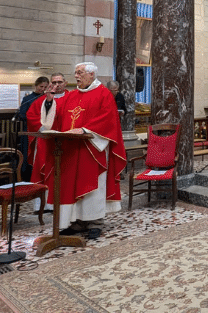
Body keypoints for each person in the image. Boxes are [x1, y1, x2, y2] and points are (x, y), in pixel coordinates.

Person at [33, 62, 126, 238]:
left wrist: (85, 130)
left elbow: (108, 119)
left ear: (92, 74)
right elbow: (56, 118)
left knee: (92, 186)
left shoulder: (104, 94)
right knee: (71, 186)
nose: (76, 76)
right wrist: (50, 101)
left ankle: (95, 222)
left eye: (80, 72)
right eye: (75, 73)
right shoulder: (71, 95)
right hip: (70, 148)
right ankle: (76, 222)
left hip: (92, 149)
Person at [27, 72, 69, 210]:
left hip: (66, 141)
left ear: (65, 83)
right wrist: (42, 128)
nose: (57, 85)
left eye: (59, 82)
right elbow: (31, 115)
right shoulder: (41, 99)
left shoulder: (71, 98)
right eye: (54, 83)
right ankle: (43, 205)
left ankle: (63, 203)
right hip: (45, 142)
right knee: (43, 171)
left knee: (63, 172)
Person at [15, 76, 49, 181]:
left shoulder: (48, 98)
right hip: (30, 130)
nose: (43, 89)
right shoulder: (28, 98)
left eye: (45, 87)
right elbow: (22, 114)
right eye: (41, 86)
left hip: (43, 130)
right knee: (27, 154)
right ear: (36, 85)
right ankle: (26, 179)